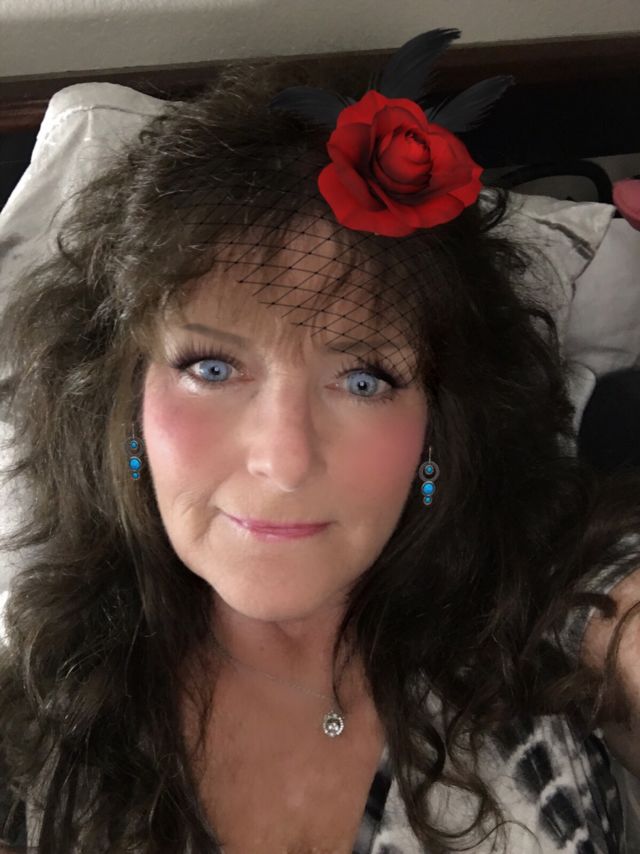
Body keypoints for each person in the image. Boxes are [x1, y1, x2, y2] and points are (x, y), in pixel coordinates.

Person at [0, 26, 639, 854]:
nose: (285, 459)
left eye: (364, 379)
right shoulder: (35, 745)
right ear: (124, 403)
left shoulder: (540, 629)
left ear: (438, 426)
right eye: (211, 368)